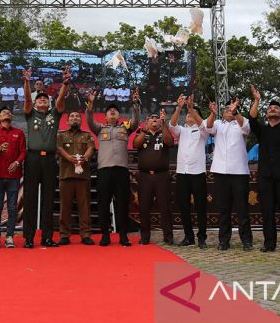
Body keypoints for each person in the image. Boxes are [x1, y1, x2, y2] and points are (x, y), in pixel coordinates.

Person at [21, 66, 70, 248]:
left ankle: (47, 237)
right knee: (30, 199)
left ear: (49, 103)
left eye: (45, 99)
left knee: (49, 199)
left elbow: (61, 98)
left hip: (50, 159)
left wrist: (65, 83)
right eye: (39, 99)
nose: (42, 100)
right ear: (35, 103)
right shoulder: (30, 113)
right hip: (32, 159)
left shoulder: (54, 115)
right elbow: (27, 98)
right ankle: (28, 238)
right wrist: (27, 81)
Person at [86, 87, 140, 246]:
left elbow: (136, 122)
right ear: (105, 116)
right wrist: (90, 105)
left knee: (122, 203)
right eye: (110, 111)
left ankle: (123, 236)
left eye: (115, 111)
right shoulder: (100, 129)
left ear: (118, 115)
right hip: (104, 171)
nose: (113, 112)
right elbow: (89, 121)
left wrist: (135, 104)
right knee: (103, 203)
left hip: (122, 170)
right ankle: (105, 235)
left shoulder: (125, 127)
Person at [248, 85, 280, 254]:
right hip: (266, 177)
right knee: (267, 212)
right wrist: (256, 100)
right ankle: (269, 243)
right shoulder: (262, 130)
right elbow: (252, 119)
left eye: (276, 108)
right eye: (270, 108)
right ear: (267, 114)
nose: (272, 110)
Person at [205, 98, 253, 252]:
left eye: (231, 110)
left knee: (242, 209)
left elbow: (246, 128)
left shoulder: (240, 122)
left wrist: (236, 111)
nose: (229, 111)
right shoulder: (219, 124)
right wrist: (212, 114)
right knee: (223, 208)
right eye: (226, 110)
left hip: (239, 172)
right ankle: (224, 240)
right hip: (220, 172)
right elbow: (208, 127)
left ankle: (246, 240)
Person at [169, 94, 209, 249]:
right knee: (183, 205)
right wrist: (179, 108)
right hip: (182, 173)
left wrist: (192, 109)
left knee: (200, 206)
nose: (189, 116)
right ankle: (189, 236)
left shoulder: (202, 130)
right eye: (188, 114)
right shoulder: (182, 130)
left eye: (192, 114)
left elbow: (204, 126)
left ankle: (202, 237)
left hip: (197, 173)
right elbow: (172, 125)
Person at [133, 109, 175, 245]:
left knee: (165, 207)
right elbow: (136, 144)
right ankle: (145, 236)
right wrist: (144, 131)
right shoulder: (142, 134)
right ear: (147, 121)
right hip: (145, 176)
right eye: (152, 118)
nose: (155, 120)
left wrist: (164, 124)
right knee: (144, 207)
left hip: (161, 176)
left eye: (157, 118)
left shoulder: (164, 133)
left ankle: (168, 236)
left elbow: (169, 142)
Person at [0, 106, 26, 249]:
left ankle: (10, 236)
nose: (7, 114)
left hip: (13, 176)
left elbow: (23, 152)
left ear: (12, 117)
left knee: (12, 207)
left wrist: (17, 162)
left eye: (9, 113)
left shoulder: (19, 133)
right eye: (3, 113)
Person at [56, 111, 96, 246]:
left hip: (82, 177)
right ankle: (64, 235)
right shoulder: (61, 135)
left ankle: (85, 234)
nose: (75, 118)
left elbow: (91, 148)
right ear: (67, 121)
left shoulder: (87, 135)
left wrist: (85, 157)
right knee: (65, 208)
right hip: (66, 175)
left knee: (84, 208)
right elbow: (59, 148)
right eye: (72, 116)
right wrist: (68, 157)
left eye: (77, 117)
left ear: (81, 120)